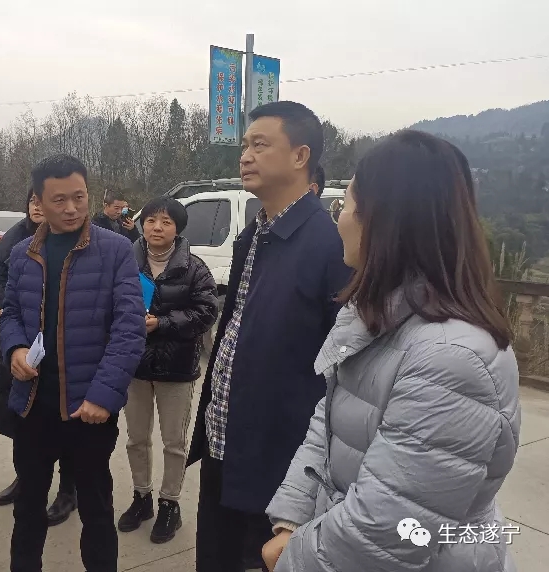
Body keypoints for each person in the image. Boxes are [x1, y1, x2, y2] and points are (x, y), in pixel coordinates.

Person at [262, 130, 520, 572]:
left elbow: (390, 532)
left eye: (345, 207)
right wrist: (291, 519)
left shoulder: (450, 358)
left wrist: (293, 558)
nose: (340, 220)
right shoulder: (378, 316)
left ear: (384, 220)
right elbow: (329, 425)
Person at [185, 101, 353, 572]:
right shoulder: (252, 237)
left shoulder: (330, 247)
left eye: (260, 145)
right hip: (224, 441)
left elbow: (343, 372)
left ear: (300, 156)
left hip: (279, 461)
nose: (245, 156)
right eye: (244, 145)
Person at [0, 153, 146, 572]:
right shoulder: (23, 253)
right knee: (28, 507)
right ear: (38, 201)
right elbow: (10, 313)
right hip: (34, 405)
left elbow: (129, 327)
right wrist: (15, 350)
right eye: (59, 199)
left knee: (97, 510)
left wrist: (103, 396)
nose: (71, 208)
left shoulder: (116, 250)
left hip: (89, 409)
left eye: (79, 197)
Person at [118, 196, 218, 544]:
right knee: (136, 438)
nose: (157, 227)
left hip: (176, 368)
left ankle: (169, 504)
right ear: (141, 224)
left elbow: (206, 312)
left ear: (178, 228)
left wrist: (160, 323)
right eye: (150, 220)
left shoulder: (194, 268)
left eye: (166, 222)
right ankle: (141, 497)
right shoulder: (125, 262)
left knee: (174, 442)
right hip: (135, 366)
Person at [0, 188, 78, 527]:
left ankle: (68, 490)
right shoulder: (15, 242)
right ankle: (25, 477)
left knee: (66, 422)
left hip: (63, 351)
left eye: (44, 201)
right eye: (32, 202)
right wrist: (10, 308)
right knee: (18, 418)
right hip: (21, 341)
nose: (38, 208)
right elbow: (1, 279)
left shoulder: (74, 242)